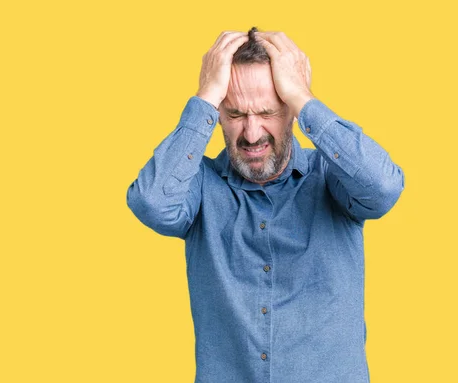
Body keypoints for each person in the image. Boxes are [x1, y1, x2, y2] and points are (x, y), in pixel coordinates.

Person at [126, 27, 404, 383]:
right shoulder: (198, 186)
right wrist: (205, 98)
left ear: (290, 110)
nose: (253, 133)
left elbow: (383, 189)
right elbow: (150, 202)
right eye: (235, 114)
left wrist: (305, 99)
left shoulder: (333, 176)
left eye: (267, 112)